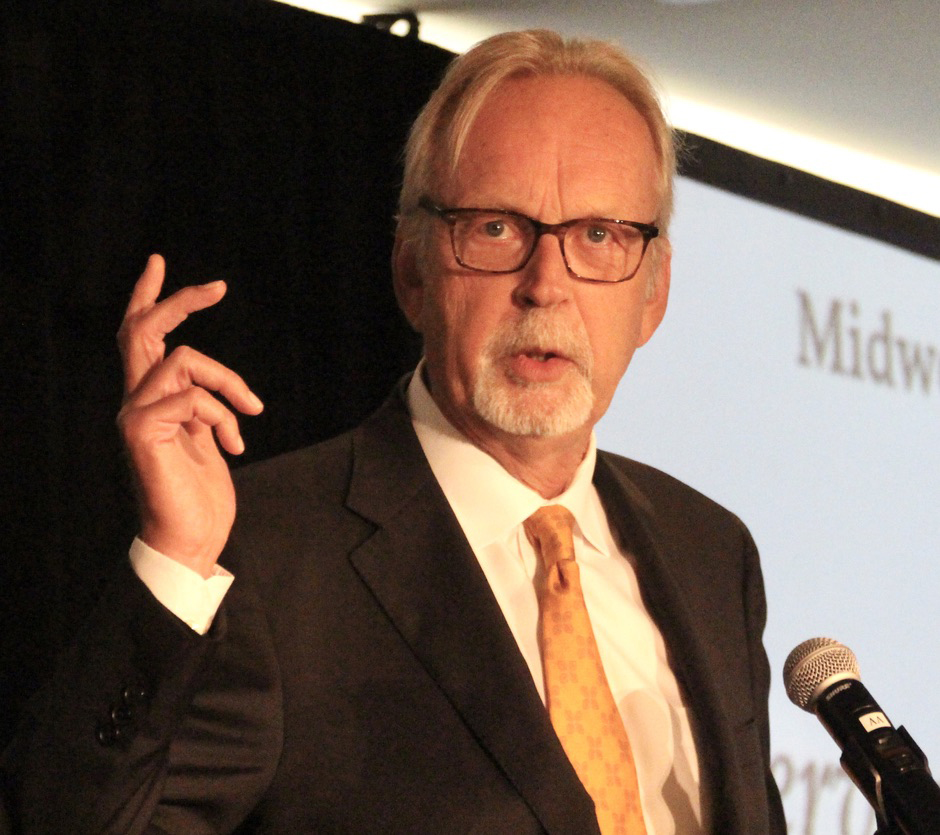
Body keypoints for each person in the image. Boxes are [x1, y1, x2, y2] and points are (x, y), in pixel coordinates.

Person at [2, 29, 785, 834]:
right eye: (494, 228)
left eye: (598, 236)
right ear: (412, 269)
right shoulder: (262, 556)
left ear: (653, 294)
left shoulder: (711, 555)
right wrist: (172, 566)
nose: (545, 284)